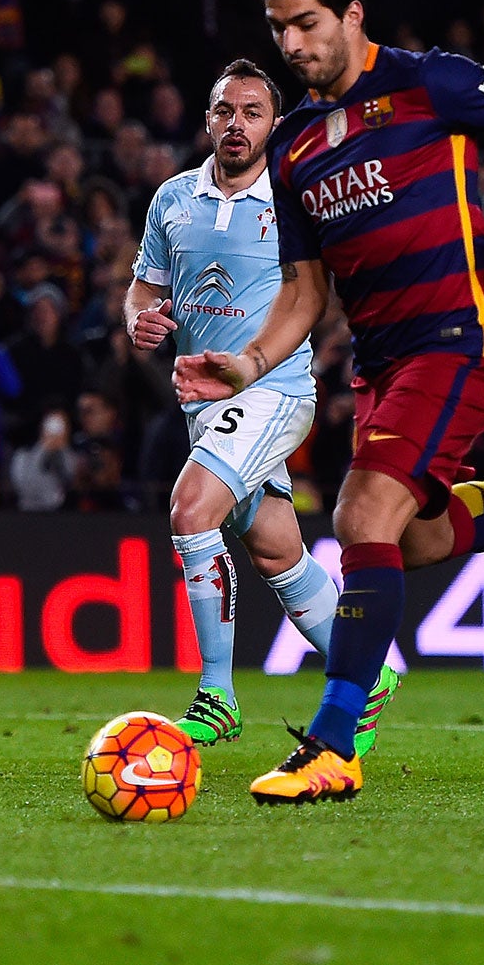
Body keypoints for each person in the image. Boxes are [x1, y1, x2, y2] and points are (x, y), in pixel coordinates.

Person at [173, 0, 484, 805]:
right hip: (382, 366)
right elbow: (305, 291)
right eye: (279, 29)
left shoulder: (427, 82)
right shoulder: (296, 145)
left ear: (351, 15)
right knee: (413, 537)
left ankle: (334, 743)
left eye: (307, 24)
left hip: (457, 336)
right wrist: (247, 364)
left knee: (360, 514)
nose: (293, 45)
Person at [127, 59, 379, 750]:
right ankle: (367, 674)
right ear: (208, 119)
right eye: (224, 111)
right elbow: (145, 287)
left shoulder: (294, 201)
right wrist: (139, 319)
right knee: (277, 554)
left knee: (190, 508)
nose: (236, 124)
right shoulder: (172, 199)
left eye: (252, 113)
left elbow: (317, 297)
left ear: (273, 124)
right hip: (203, 405)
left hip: (273, 390)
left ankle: (217, 696)